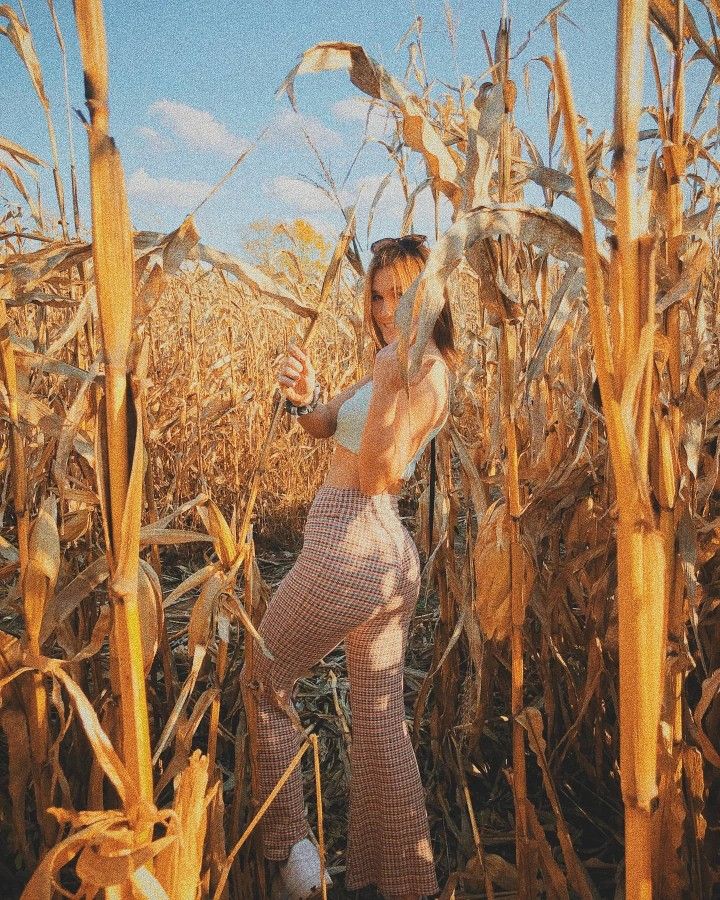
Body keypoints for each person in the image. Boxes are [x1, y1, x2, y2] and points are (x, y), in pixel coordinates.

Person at [240, 234, 460, 900]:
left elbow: (377, 473)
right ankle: (400, 880)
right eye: (378, 294)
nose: (388, 308)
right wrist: (307, 398)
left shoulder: (427, 373)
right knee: (378, 717)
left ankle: (293, 858)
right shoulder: (389, 361)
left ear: (433, 297)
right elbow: (329, 422)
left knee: (262, 677)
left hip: (351, 544)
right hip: (387, 557)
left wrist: (393, 378)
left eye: (404, 294)